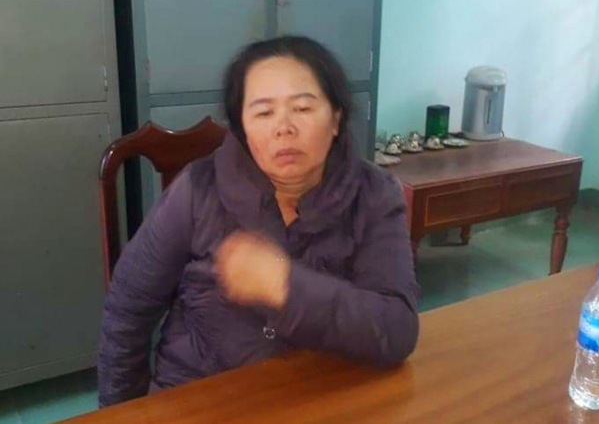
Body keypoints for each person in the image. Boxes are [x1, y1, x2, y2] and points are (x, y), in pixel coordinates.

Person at [98, 36, 420, 407]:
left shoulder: (375, 193)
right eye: (264, 113)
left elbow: (397, 330)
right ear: (242, 129)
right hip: (198, 401)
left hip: (320, 397)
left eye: (302, 108)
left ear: (336, 118)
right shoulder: (197, 189)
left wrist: (286, 288)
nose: (284, 127)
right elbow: (128, 310)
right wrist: (120, 414)